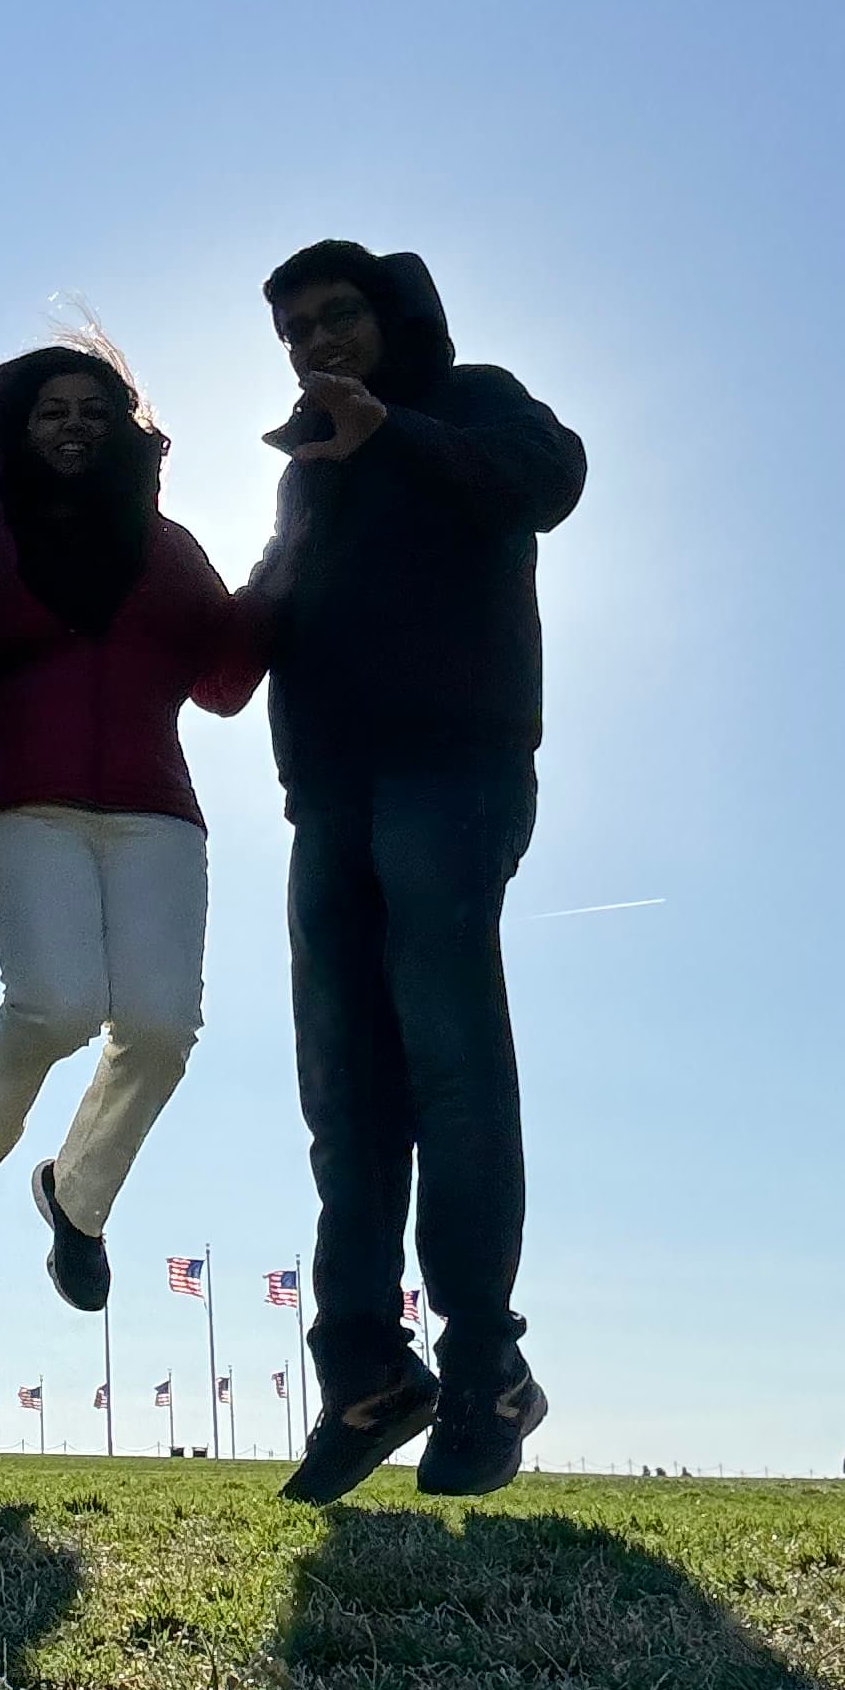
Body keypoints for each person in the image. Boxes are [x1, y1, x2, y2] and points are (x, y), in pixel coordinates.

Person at [244, 239, 586, 1509]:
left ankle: (488, 1369)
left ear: (393, 316)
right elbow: (269, 616)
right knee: (343, 1090)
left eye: (337, 316)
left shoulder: (470, 400)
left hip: (455, 772)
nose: (316, 343)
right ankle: (369, 1378)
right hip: (328, 795)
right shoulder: (306, 467)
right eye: (294, 331)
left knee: (448, 1063)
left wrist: (386, 432)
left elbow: (550, 482)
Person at [0, 347, 260, 1314]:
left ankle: (78, 1198)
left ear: (126, 431)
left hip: (155, 813)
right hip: (13, 803)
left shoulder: (169, 547)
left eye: (93, 412)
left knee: (159, 1027)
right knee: (58, 1000)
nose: (71, 425)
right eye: (51, 410)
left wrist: (280, 567)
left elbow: (224, 686)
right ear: (16, 430)